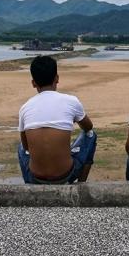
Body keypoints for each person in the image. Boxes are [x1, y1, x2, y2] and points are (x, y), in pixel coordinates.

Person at [17, 55, 97, 184]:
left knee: (20, 147)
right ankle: (81, 184)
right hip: (66, 175)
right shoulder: (71, 101)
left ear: (33, 83)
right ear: (57, 78)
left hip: (35, 176)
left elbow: (26, 147)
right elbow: (88, 127)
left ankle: (30, 184)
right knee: (91, 135)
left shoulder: (25, 107)